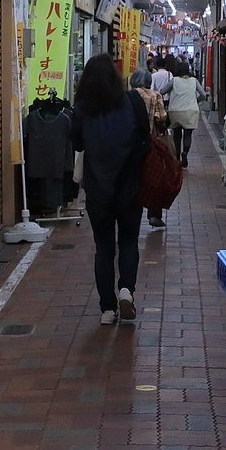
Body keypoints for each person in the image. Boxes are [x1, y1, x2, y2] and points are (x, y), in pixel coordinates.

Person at [71, 55, 149, 326]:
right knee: (129, 240)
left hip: (98, 191)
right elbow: (145, 137)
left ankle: (107, 309)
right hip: (130, 187)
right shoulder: (132, 101)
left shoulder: (82, 108)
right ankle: (126, 289)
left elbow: (77, 143)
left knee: (103, 248)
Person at [129, 69, 168, 230]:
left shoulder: (128, 96)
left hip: (131, 142)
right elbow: (161, 117)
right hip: (151, 141)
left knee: (133, 176)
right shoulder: (155, 95)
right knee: (153, 177)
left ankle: (131, 209)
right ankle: (154, 215)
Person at [167, 57, 204, 168]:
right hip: (191, 111)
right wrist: (195, 101)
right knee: (188, 135)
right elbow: (203, 94)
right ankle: (185, 153)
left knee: (177, 135)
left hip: (175, 111)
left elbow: (162, 91)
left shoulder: (174, 80)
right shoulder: (194, 81)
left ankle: (177, 156)